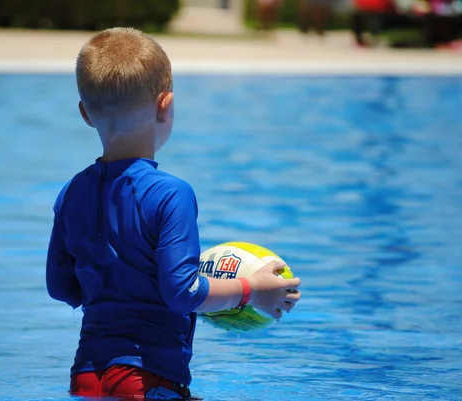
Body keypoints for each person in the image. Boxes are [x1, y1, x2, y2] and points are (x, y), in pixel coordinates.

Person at [46, 27, 302, 400]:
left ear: (86, 113)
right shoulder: (171, 195)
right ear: (165, 105)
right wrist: (251, 291)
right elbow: (184, 292)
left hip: (86, 377)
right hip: (147, 378)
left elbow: (61, 288)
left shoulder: (70, 193)